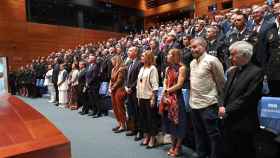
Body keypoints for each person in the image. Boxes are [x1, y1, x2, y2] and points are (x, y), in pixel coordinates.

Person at [218, 41, 264, 158]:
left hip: (244, 123)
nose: (230, 57)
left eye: (233, 55)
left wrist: (226, 109)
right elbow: (224, 92)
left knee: (244, 152)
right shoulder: (232, 71)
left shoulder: (256, 72)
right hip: (228, 121)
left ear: (244, 55)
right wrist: (221, 106)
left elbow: (248, 98)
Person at [189, 38, 225, 158]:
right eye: (191, 47)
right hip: (194, 104)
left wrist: (221, 104)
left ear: (204, 46)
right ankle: (201, 154)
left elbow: (221, 84)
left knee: (213, 135)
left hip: (209, 104)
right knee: (198, 133)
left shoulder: (212, 60)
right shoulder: (192, 63)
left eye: (195, 46)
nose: (192, 49)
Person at [159, 48, 188, 157]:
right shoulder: (167, 68)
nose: (167, 56)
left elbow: (180, 84)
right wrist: (165, 94)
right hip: (168, 97)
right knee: (170, 123)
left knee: (178, 123)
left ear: (175, 56)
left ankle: (178, 147)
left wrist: (168, 91)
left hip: (177, 98)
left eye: (169, 54)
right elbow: (165, 82)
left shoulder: (182, 68)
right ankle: (173, 145)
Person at [136, 50, 159, 149]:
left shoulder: (153, 68)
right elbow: (138, 84)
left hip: (149, 97)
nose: (141, 57)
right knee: (143, 118)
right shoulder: (141, 68)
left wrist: (153, 98)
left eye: (143, 56)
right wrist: (138, 96)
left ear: (148, 58)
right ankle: (146, 137)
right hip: (141, 97)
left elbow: (155, 85)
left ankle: (153, 139)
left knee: (151, 119)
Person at [125, 46, 143, 140]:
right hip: (128, 91)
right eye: (128, 51)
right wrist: (125, 86)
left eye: (130, 51)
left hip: (135, 91)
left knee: (137, 112)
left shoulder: (139, 62)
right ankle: (134, 129)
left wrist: (131, 87)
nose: (128, 52)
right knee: (131, 111)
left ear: (136, 52)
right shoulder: (129, 63)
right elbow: (126, 78)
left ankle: (140, 131)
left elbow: (139, 78)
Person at [109, 55, 127, 133]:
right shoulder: (113, 69)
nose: (112, 62)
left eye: (113, 61)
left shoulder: (122, 69)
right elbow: (111, 79)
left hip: (119, 90)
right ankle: (119, 123)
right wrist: (110, 86)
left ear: (116, 60)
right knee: (115, 107)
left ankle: (123, 125)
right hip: (113, 90)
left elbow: (119, 80)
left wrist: (112, 88)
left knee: (120, 107)